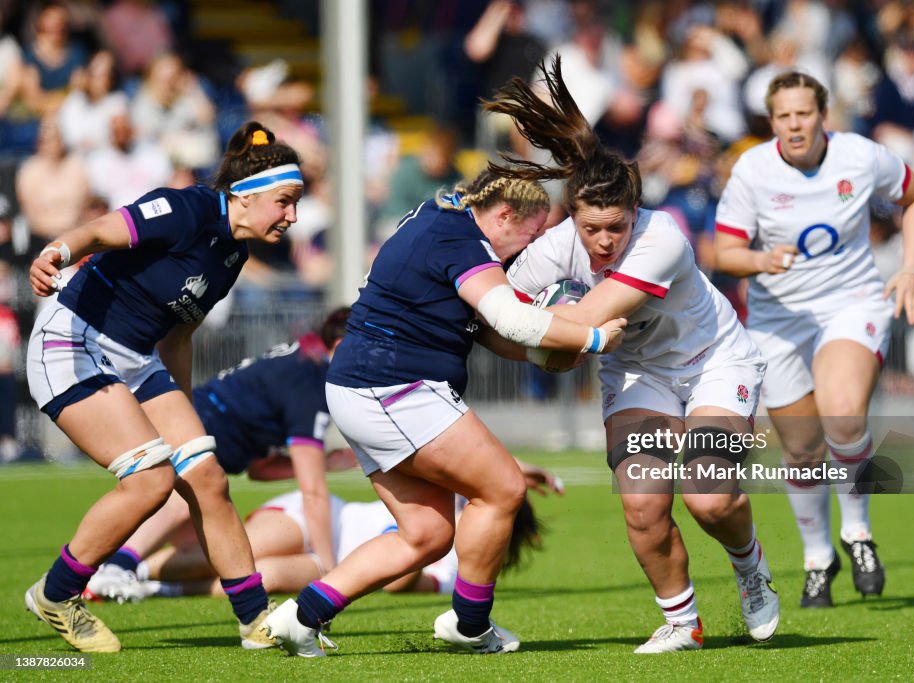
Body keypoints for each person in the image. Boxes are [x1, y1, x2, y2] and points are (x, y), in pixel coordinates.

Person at [262, 168, 627, 657]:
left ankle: (302, 615)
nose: (531, 246)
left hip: (368, 387)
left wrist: (550, 350)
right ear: (503, 215)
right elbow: (512, 320)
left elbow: (493, 333)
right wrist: (595, 337)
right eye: (532, 233)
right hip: (391, 385)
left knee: (426, 535)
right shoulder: (458, 237)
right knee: (503, 489)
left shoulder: (444, 219)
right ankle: (471, 625)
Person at [490, 56, 780, 654]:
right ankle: (683, 623)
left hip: (714, 363)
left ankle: (750, 568)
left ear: (635, 214)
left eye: (615, 227)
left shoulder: (662, 238)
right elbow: (498, 314)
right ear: (573, 215)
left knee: (708, 497)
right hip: (639, 373)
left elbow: (587, 319)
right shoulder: (555, 249)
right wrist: (535, 344)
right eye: (591, 227)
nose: (603, 241)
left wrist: (545, 337)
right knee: (644, 506)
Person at [23, 121, 305, 653]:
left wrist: (181, 408)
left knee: (207, 477)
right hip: (72, 340)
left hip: (137, 358)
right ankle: (56, 594)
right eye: (285, 202)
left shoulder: (232, 256)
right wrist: (56, 252)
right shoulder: (188, 210)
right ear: (245, 197)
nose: (293, 216)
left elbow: (180, 335)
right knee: (151, 482)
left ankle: (254, 621)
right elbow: (101, 230)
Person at [713, 72, 914, 607]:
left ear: (822, 114)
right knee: (803, 449)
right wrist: (761, 259)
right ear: (772, 122)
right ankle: (818, 558)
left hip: (850, 303)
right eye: (783, 116)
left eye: (803, 113)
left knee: (842, 414)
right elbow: (724, 251)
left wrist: (910, 270)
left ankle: (857, 534)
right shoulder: (753, 170)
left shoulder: (861, 157)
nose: (794, 124)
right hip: (778, 317)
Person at [83, 308, 353, 603]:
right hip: (197, 422)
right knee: (183, 498)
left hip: (197, 418)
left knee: (203, 544)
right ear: (340, 347)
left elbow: (259, 469)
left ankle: (131, 573)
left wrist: (325, 463)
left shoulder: (305, 361)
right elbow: (312, 493)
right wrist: (329, 572)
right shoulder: (311, 381)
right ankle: (112, 568)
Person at [110, 460, 559, 599]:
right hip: (320, 520)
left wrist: (418, 558)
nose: (464, 510)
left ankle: (149, 589)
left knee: (259, 578)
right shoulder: (453, 506)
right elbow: (459, 458)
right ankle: (123, 571)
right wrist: (517, 469)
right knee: (233, 556)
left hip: (327, 565)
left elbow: (399, 585)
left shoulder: (464, 570)